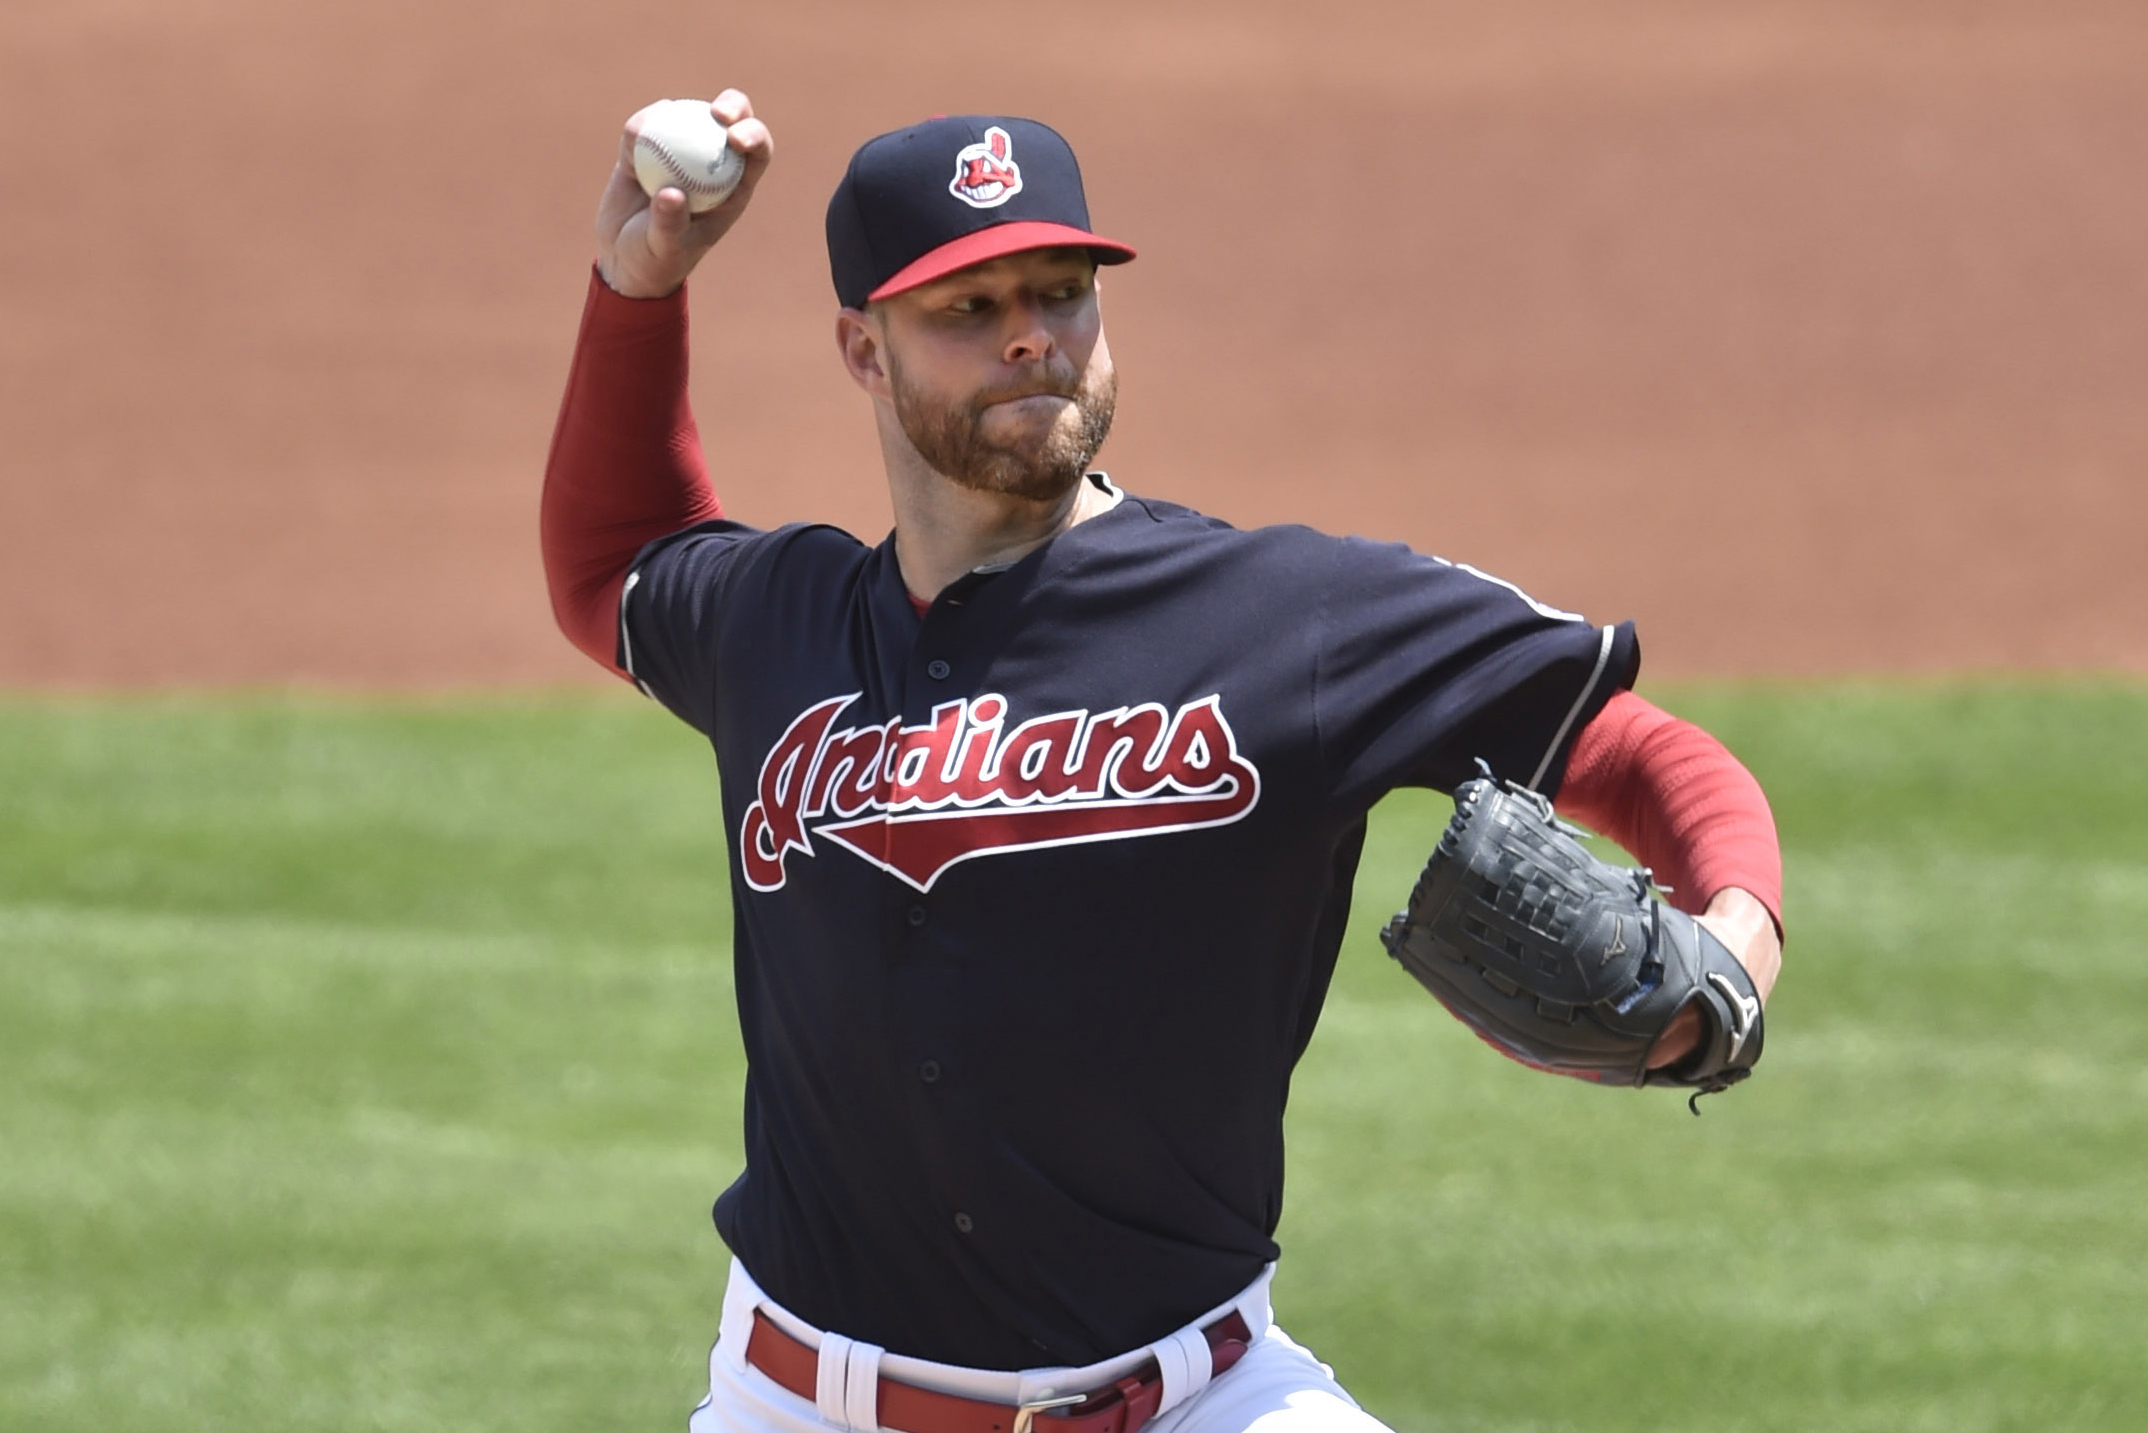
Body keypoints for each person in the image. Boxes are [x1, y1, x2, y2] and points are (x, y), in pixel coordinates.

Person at [541, 91, 1784, 1433]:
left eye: (1060, 289)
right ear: (863, 350)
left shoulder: (1284, 619)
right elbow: (614, 562)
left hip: (1201, 1400)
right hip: (797, 1405)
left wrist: (1733, 947)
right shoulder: (777, 623)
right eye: (966, 308)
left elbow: (1638, 749)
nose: (1030, 333)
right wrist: (636, 290)